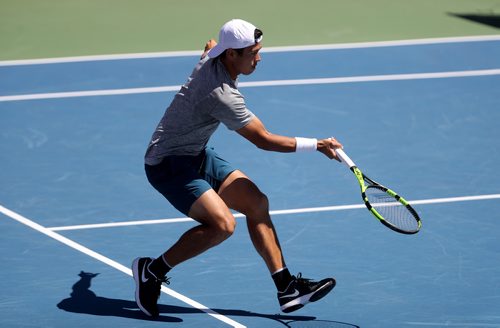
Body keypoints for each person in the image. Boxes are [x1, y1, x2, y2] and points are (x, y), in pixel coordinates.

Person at [132, 18, 343, 318]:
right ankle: (151, 271)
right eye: (252, 53)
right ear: (231, 55)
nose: (259, 58)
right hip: (166, 163)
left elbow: (207, 47)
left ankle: (286, 288)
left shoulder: (215, 55)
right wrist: (316, 145)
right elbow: (264, 140)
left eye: (258, 50)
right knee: (223, 225)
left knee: (256, 203)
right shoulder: (222, 95)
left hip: (196, 154)